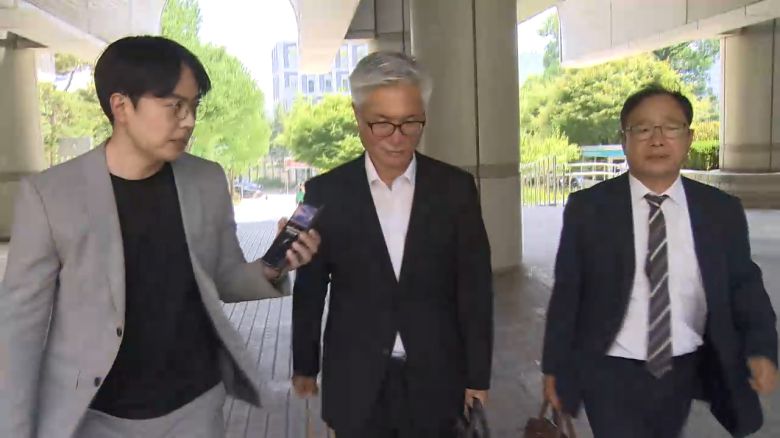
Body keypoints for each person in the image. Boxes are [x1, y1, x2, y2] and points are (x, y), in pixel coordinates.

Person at [0, 36, 320, 438]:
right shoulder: (50, 196)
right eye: (174, 106)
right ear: (121, 106)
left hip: (194, 408)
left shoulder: (205, 180)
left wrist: (273, 267)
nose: (189, 121)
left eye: (194, 106)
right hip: (94, 415)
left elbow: (223, 277)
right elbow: (19, 330)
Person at [542, 85, 778, 438]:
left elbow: (745, 288)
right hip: (609, 367)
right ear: (624, 140)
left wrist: (761, 348)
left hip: (683, 364)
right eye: (642, 129)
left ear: (688, 138)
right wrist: (554, 367)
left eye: (670, 127)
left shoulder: (719, 210)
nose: (657, 139)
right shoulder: (589, 208)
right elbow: (567, 292)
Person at [291, 51, 494, 438]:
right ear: (357, 116)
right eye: (382, 123)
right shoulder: (321, 193)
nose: (398, 138)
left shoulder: (455, 190)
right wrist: (305, 365)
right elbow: (310, 286)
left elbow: (475, 287)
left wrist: (477, 375)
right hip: (356, 379)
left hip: (437, 378)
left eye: (411, 123)